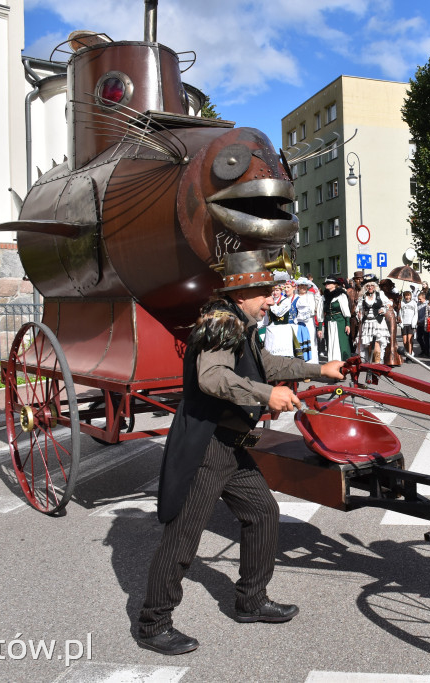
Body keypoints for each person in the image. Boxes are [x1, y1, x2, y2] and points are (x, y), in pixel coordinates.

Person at [137, 252, 346, 655]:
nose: (271, 300)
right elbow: (212, 377)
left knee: (263, 512)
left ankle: (251, 601)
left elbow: (262, 362)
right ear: (243, 291)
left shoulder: (242, 323)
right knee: (183, 537)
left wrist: (319, 369)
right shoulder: (221, 322)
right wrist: (268, 394)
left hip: (232, 444)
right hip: (207, 445)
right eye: (265, 293)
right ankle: (153, 623)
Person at [356, 276, 391, 364]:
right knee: (367, 344)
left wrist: (384, 309)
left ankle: (378, 363)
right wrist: (359, 314)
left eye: (372, 285)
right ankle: (369, 363)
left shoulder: (380, 294)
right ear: (365, 287)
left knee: (377, 343)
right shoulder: (363, 297)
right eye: (368, 286)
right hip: (367, 322)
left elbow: (390, 302)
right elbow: (359, 309)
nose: (370, 287)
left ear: (375, 286)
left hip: (378, 322)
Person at [320, 277, 351, 362]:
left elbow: (346, 311)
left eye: (329, 283)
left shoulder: (341, 295)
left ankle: (343, 364)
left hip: (340, 322)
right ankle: (332, 363)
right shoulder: (324, 297)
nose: (327, 285)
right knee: (330, 343)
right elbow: (320, 313)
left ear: (335, 285)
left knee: (341, 343)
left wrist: (347, 324)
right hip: (329, 322)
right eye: (326, 283)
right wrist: (319, 328)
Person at [263, 280, 296, 358]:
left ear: (281, 290)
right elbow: (266, 318)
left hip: (282, 331)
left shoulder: (286, 301)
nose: (275, 293)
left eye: (277, 290)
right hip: (271, 330)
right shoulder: (271, 301)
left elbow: (279, 313)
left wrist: (272, 304)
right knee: (270, 355)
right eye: (273, 290)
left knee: (282, 356)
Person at [293, 278, 319, 364]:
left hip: (309, 322)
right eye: (301, 286)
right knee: (299, 341)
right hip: (298, 322)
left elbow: (314, 308)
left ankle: (312, 362)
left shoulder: (311, 295)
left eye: (305, 286)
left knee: (311, 340)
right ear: (298, 287)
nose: (303, 288)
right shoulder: (295, 296)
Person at [399, 289, 417, 356]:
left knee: (409, 340)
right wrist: (401, 322)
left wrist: (414, 323)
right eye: (406, 296)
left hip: (410, 324)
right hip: (404, 324)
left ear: (411, 296)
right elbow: (399, 313)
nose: (407, 297)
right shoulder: (401, 303)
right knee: (404, 341)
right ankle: (407, 352)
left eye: (408, 295)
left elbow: (416, 314)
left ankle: (409, 355)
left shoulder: (414, 303)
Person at [416, 291, 430, 357]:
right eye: (418, 299)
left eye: (420, 299)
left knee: (426, 338)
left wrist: (420, 321)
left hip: (425, 323)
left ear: (424, 298)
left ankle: (427, 352)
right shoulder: (418, 303)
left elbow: (426, 315)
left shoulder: (427, 304)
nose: (419, 300)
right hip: (419, 323)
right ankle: (423, 349)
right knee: (419, 338)